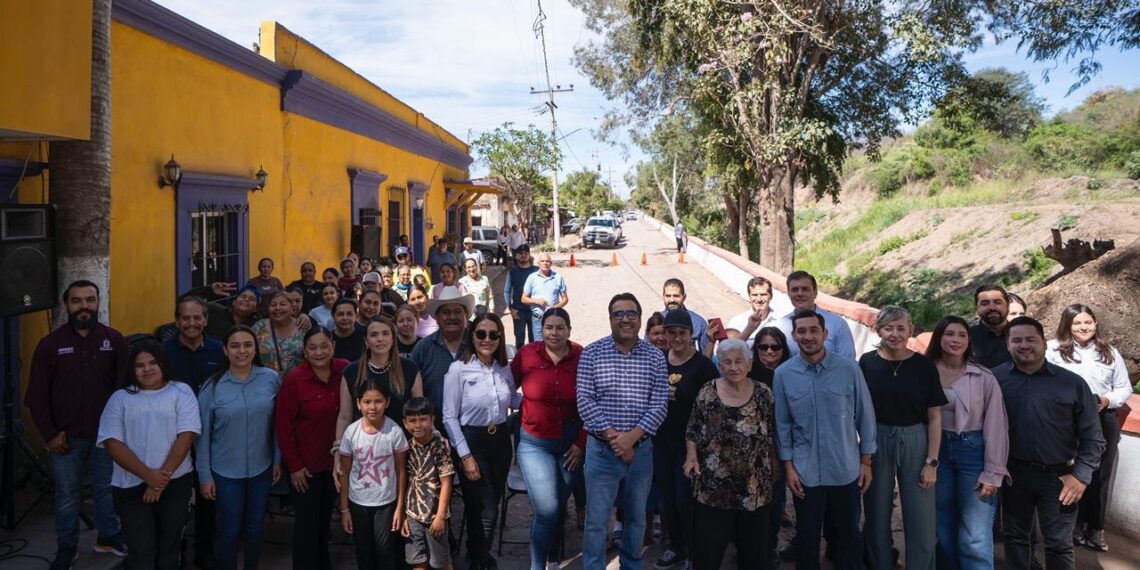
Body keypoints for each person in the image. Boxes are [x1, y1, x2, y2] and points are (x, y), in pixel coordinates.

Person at [25, 280, 127, 568]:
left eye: (90, 300)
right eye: (77, 300)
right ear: (66, 305)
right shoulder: (49, 345)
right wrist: (49, 435)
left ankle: (108, 536)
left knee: (105, 489)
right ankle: (67, 547)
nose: (84, 306)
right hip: (64, 438)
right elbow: (36, 396)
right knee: (67, 495)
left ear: (98, 302)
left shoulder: (115, 340)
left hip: (105, 437)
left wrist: (118, 431)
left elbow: (122, 389)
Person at [995, 316, 1105, 570]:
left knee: (1058, 544)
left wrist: (1080, 476)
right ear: (1007, 345)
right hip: (1013, 475)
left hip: (1060, 477)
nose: (1024, 345)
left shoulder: (1072, 384)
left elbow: (1093, 437)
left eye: (1031, 339)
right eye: (1017, 340)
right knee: (1015, 538)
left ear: (1044, 342)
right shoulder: (994, 380)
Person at [773, 309, 876, 570]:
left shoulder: (849, 369)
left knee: (849, 535)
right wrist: (788, 468)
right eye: (801, 331)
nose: (808, 336)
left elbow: (865, 416)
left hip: (846, 469)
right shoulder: (783, 374)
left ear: (825, 333)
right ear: (794, 336)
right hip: (805, 472)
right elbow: (782, 425)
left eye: (813, 330)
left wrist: (866, 462)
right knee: (807, 537)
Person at [576, 293, 668, 570]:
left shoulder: (655, 357)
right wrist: (615, 437)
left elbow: (660, 404)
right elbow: (584, 399)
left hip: (641, 452)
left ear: (639, 319)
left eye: (631, 313)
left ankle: (631, 564)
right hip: (602, 452)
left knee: (637, 518)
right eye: (618, 314)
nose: (625, 319)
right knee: (596, 520)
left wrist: (631, 438)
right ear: (610, 319)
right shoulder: (592, 353)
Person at [97, 340, 200, 570]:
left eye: (153, 363)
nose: (147, 369)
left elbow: (186, 436)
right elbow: (112, 443)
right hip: (130, 487)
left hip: (175, 483)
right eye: (139, 365)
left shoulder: (181, 391)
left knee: (169, 548)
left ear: (163, 363)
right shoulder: (120, 398)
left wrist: (159, 481)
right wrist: (148, 476)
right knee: (140, 551)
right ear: (132, 369)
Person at [859, 307, 945, 570]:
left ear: (910, 330)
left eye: (900, 328)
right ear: (878, 330)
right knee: (876, 512)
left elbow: (935, 416)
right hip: (877, 438)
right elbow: (859, 410)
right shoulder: (867, 363)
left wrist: (931, 462)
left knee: (921, 517)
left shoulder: (924, 365)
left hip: (915, 438)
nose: (894, 334)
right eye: (888, 328)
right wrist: (864, 457)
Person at [682, 338, 776, 569]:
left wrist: (777, 468)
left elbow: (773, 434)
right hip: (713, 487)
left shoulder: (764, 393)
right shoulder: (708, 392)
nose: (733, 367)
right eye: (727, 362)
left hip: (754, 488)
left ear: (749, 364)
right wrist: (691, 457)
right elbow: (693, 429)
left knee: (753, 555)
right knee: (707, 554)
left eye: (739, 361)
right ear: (720, 365)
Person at [924, 316, 1009, 570]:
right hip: (935, 452)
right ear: (939, 337)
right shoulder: (924, 370)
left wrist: (993, 472)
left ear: (969, 340)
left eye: (962, 335)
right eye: (950, 334)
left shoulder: (983, 376)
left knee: (976, 530)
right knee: (942, 524)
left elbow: (997, 426)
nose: (956, 340)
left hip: (973, 452)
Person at [1045, 305, 1131, 552]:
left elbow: (1124, 387)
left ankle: (1095, 527)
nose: (1083, 327)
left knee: (1099, 475)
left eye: (1088, 322)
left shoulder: (1109, 352)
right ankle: (1071, 525)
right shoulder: (1053, 349)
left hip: (1101, 418)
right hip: (1064, 420)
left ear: (1095, 323)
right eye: (1077, 323)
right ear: (1067, 325)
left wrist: (1107, 400)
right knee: (1068, 470)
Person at [196, 326, 282, 570]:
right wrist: (204, 475)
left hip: (261, 468)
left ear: (255, 349)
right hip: (224, 472)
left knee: (255, 528)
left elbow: (278, 425)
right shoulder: (211, 386)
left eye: (247, 345)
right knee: (229, 530)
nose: (241, 351)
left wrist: (277, 459)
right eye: (235, 346)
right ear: (225, 350)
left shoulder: (271, 379)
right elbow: (201, 436)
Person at [443, 313, 518, 569]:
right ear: (472, 336)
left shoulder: (504, 367)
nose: (487, 339)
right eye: (481, 333)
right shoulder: (458, 369)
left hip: (500, 443)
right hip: (472, 442)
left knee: (487, 505)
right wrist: (465, 456)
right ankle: (481, 561)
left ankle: (475, 553)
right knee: (488, 510)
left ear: (500, 337)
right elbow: (449, 416)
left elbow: (513, 399)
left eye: (493, 334)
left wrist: (537, 399)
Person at [512, 308, 585, 570]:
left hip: (570, 444)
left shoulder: (581, 356)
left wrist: (581, 442)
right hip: (535, 443)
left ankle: (553, 560)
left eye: (560, 327)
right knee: (546, 509)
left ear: (569, 330)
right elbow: (506, 387)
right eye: (549, 327)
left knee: (558, 506)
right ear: (541, 329)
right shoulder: (527, 354)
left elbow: (594, 400)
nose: (554, 333)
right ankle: (537, 566)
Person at [276, 327, 350, 570]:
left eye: (324, 346)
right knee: (306, 528)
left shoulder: (344, 370)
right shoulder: (295, 379)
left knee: (324, 525)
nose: (319, 352)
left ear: (333, 347)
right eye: (313, 348)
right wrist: (295, 467)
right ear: (305, 351)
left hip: (335, 466)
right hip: (306, 469)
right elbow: (283, 427)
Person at [654, 310, 720, 569]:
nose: (677, 338)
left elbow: (714, 408)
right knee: (668, 499)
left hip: (692, 446)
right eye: (671, 333)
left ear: (691, 334)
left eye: (682, 333)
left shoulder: (703, 366)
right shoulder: (658, 360)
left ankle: (694, 552)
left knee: (686, 501)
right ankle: (676, 546)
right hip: (662, 442)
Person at [160, 296, 223, 566]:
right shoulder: (163, 352)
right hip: (174, 437)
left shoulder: (218, 349)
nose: (192, 323)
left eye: (197, 317)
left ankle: (203, 549)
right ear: (177, 321)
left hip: (210, 436)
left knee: (208, 496)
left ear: (205, 320)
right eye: (186, 318)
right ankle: (173, 549)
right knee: (174, 496)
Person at [337, 377, 410, 570]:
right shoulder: (351, 432)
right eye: (367, 401)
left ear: (387, 402)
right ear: (358, 403)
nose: (372, 407)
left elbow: (401, 471)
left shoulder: (394, 432)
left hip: (386, 503)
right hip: (357, 503)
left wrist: (399, 508)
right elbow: (344, 472)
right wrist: (344, 510)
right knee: (363, 551)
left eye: (378, 401)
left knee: (385, 551)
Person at [339, 316, 424, 432]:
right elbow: (345, 416)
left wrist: (433, 432)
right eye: (374, 335)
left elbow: (419, 410)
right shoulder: (351, 371)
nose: (380, 339)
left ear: (393, 338)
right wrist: (339, 441)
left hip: (402, 439)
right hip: (362, 440)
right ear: (366, 340)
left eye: (385, 334)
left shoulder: (410, 368)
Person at [411, 289, 476, 433]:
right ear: (437, 317)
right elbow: (412, 392)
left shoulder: (477, 344)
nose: (452, 317)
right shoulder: (423, 348)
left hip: (475, 431)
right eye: (446, 312)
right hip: (435, 432)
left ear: (466, 315)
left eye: (457, 312)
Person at [402, 397, 456, 570]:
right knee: (417, 559)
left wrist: (440, 517)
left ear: (432, 420)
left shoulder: (439, 447)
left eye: (423, 419)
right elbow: (405, 481)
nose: (418, 425)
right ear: (405, 423)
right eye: (412, 421)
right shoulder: (406, 447)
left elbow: (446, 483)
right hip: (412, 513)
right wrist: (404, 515)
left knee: (441, 562)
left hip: (435, 513)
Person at [777, 271, 855, 360]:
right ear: (789, 294)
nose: (800, 294)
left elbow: (848, 361)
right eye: (795, 290)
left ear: (815, 293)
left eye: (805, 289)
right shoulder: (780, 327)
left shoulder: (837, 324)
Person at [251, 291, 305, 377]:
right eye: (273, 305)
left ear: (292, 307)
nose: (277, 308)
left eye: (283, 304)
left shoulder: (302, 326)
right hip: (264, 381)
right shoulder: (259, 327)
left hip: (296, 381)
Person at [521, 253, 569, 342]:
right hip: (538, 318)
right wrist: (536, 301)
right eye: (542, 261)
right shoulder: (532, 277)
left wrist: (556, 307)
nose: (545, 263)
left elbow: (565, 299)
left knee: (554, 343)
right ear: (538, 263)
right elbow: (523, 299)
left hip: (553, 318)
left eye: (547, 261)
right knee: (539, 344)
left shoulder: (558, 277)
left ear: (551, 263)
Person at [727, 276, 783, 348]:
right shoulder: (736, 322)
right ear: (749, 297)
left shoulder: (781, 321)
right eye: (754, 295)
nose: (759, 299)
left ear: (771, 296)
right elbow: (728, 350)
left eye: (763, 294)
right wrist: (749, 328)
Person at [505, 244, 539, 348]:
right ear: (516, 256)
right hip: (518, 311)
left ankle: (533, 358)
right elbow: (506, 291)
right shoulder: (512, 272)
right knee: (519, 340)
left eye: (525, 253)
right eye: (520, 253)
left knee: (534, 340)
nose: (523, 255)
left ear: (529, 255)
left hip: (534, 310)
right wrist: (511, 308)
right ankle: (520, 358)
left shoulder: (536, 271)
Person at [970, 284, 1012, 369]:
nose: (992, 307)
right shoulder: (967, 338)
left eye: (998, 302)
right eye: (985, 304)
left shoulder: (1023, 334)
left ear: (1008, 306)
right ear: (977, 308)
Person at [661, 278, 709, 352]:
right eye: (668, 296)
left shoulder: (699, 323)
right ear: (663, 297)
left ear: (684, 297)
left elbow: (705, 355)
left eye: (676, 296)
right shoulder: (656, 322)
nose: (672, 300)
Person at [330, 298, 366, 363]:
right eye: (340, 314)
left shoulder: (366, 336)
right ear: (333, 316)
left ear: (356, 315)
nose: (345, 318)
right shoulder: (328, 339)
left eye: (349, 314)